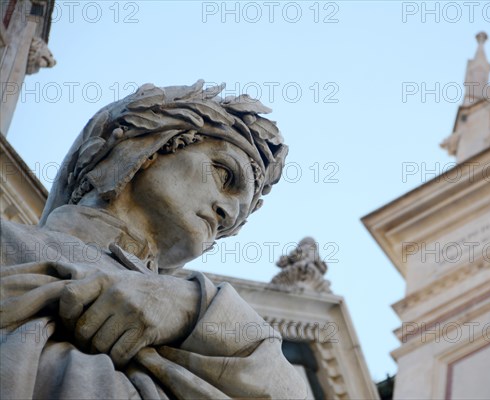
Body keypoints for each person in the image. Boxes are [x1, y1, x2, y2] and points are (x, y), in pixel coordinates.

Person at [0, 81, 307, 399]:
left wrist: (189, 308)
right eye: (223, 173)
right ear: (149, 148)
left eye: (239, 216)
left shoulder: (209, 336)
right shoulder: (10, 246)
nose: (228, 211)